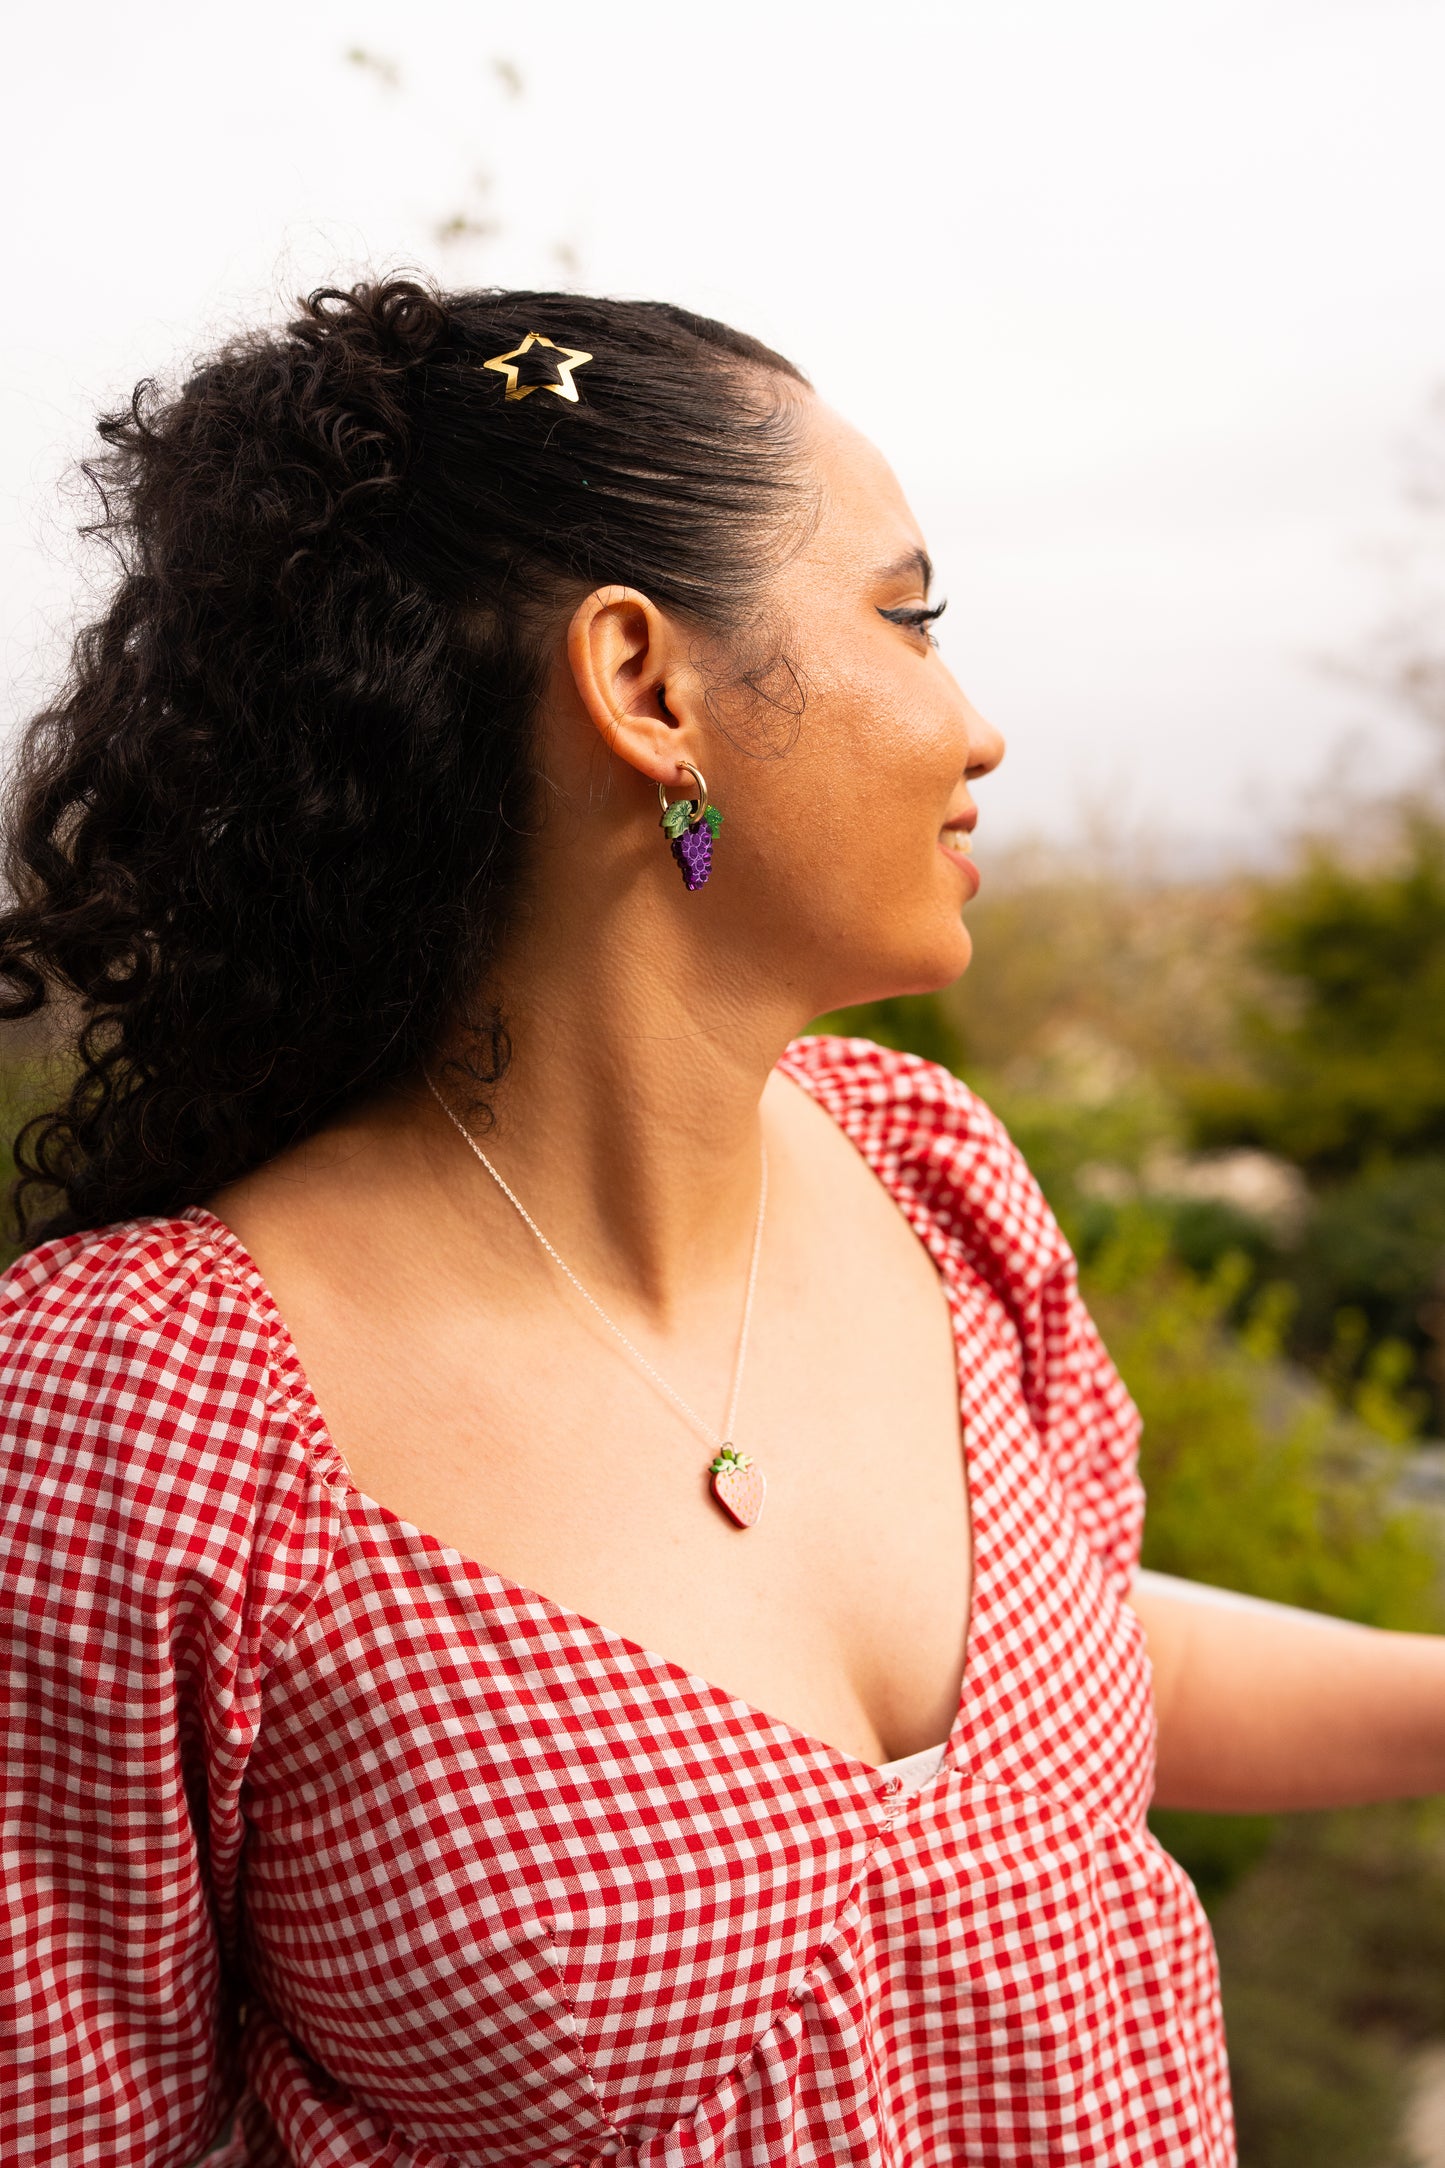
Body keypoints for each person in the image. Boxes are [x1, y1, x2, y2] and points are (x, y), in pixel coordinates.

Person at [2, 278, 1443, 2168]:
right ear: (647, 686)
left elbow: (1066, 1667)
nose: (978, 725)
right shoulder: (131, 1408)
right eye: (907, 618)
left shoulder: (934, 1177)